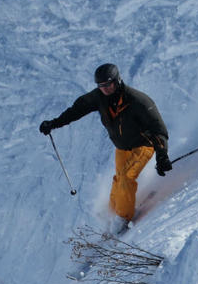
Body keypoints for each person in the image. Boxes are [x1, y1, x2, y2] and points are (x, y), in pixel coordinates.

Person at [39, 63, 171, 226]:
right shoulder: (98, 97)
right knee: (118, 179)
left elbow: (158, 129)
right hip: (122, 148)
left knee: (126, 177)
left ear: (117, 81)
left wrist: (162, 155)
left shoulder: (138, 101)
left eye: (108, 84)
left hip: (144, 144)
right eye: (101, 86)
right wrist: (54, 123)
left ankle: (122, 219)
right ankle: (112, 213)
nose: (105, 89)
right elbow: (77, 110)